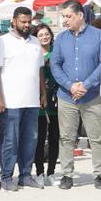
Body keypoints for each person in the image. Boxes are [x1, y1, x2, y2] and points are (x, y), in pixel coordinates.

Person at [50, 0, 101, 189]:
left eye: (68, 16)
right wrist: (70, 86)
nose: (65, 21)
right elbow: (55, 65)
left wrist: (86, 84)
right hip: (67, 96)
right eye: (63, 17)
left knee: (96, 137)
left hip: (92, 96)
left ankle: (99, 175)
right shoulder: (61, 39)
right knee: (67, 137)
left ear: (80, 15)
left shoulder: (100, 37)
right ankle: (67, 174)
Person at [0, 6, 45, 190]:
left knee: (30, 139)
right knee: (10, 140)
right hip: (10, 101)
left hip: (32, 101)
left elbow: (40, 70)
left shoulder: (35, 42)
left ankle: (25, 175)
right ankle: (6, 177)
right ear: (14, 21)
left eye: (29, 21)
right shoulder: (2, 42)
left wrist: (43, 94)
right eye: (23, 21)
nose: (26, 25)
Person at [34, 23, 60, 184]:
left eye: (46, 34)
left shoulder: (57, 53)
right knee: (40, 137)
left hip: (56, 99)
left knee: (55, 137)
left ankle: (51, 172)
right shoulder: (33, 53)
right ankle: (39, 173)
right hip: (38, 100)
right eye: (40, 35)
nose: (44, 37)